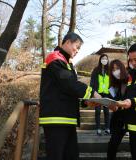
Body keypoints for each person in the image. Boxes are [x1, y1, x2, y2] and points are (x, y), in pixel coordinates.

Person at [39, 32, 101, 160]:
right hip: (55, 118)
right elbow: (69, 84)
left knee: (71, 155)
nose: (78, 51)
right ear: (67, 42)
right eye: (77, 47)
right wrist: (91, 93)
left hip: (66, 118)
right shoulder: (55, 58)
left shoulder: (67, 63)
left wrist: (85, 102)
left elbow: (67, 92)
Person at [107, 59, 128, 160]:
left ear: (122, 68)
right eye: (113, 69)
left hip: (130, 118)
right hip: (118, 119)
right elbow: (114, 100)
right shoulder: (114, 85)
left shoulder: (129, 80)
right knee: (112, 145)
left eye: (117, 68)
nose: (115, 71)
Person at [90, 53, 111, 136]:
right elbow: (92, 82)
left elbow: (112, 82)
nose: (104, 60)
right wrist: (92, 92)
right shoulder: (96, 70)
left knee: (106, 111)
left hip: (106, 93)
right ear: (100, 60)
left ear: (108, 60)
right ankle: (98, 128)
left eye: (106, 58)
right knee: (97, 111)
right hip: (97, 93)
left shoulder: (109, 70)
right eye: (103, 58)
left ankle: (107, 128)